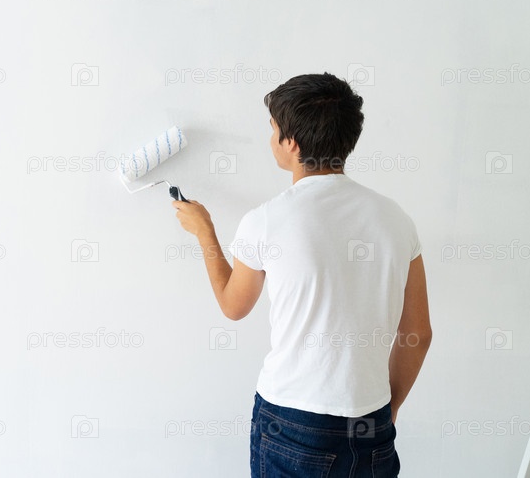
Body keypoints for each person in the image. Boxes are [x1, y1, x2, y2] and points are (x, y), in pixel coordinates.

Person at [172, 72, 432, 477]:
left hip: (293, 421)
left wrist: (205, 231)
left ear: (291, 143)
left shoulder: (266, 221)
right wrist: (387, 409)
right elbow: (418, 334)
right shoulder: (396, 220)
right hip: (371, 420)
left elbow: (233, 306)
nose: (271, 139)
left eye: (273, 129)